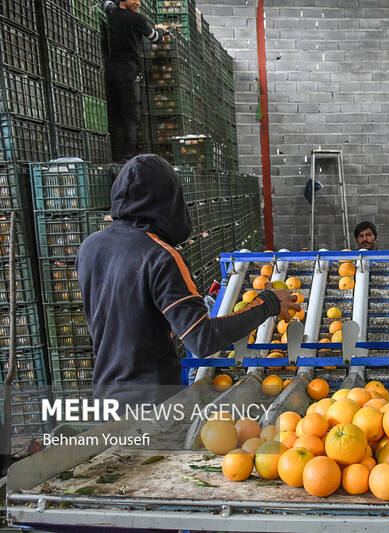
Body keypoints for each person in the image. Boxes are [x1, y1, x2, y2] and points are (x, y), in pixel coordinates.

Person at [77, 154, 300, 407]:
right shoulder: (159, 256)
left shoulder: (90, 247)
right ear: (169, 200)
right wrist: (267, 303)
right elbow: (202, 338)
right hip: (151, 404)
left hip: (105, 396)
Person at [101, 0, 165, 163]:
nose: (138, 3)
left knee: (116, 115)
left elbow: (106, 4)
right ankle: (127, 157)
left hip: (112, 72)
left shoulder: (113, 14)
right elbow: (155, 38)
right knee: (131, 116)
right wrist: (161, 29)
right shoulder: (137, 19)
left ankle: (116, 157)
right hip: (128, 72)